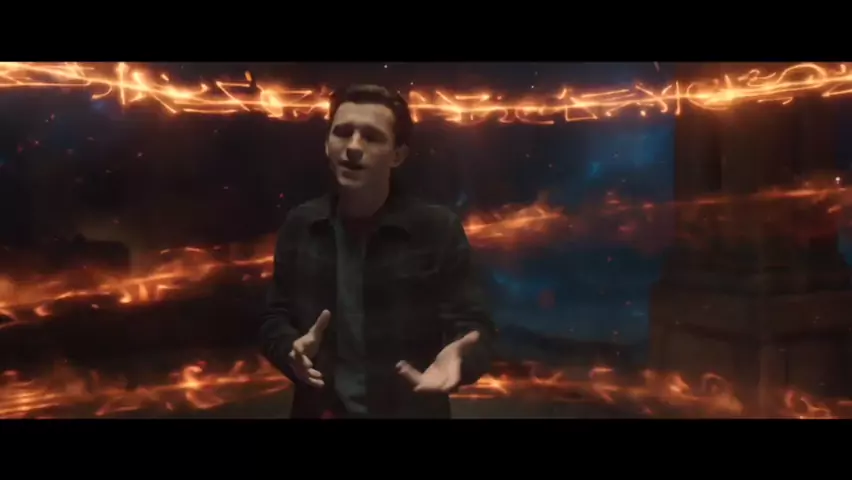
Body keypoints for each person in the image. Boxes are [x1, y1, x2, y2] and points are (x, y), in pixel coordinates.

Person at [259, 84, 495, 418]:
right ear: (326, 144)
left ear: (398, 155)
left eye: (371, 137)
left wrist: (460, 359)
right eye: (342, 133)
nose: (353, 147)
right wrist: (290, 352)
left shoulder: (435, 229)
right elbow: (274, 317)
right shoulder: (302, 225)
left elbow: (476, 327)